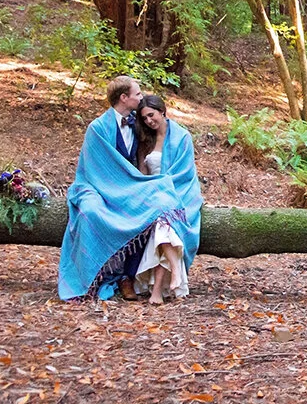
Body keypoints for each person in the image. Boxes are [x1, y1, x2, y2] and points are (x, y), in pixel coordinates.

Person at [57, 76, 199, 301]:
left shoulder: (138, 124)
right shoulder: (98, 128)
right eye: (138, 94)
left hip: (132, 186)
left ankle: (128, 277)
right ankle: (93, 276)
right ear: (124, 98)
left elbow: (152, 153)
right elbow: (94, 167)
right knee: (91, 213)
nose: (141, 98)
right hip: (97, 185)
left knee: (151, 211)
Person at [131, 94, 202, 304]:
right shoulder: (145, 140)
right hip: (153, 194)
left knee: (164, 218)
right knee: (161, 215)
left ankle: (156, 291)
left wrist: (164, 188)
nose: (149, 121)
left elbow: (186, 172)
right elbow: (142, 174)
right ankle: (174, 276)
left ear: (162, 111)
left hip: (179, 193)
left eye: (151, 115)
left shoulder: (182, 137)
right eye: (144, 118)